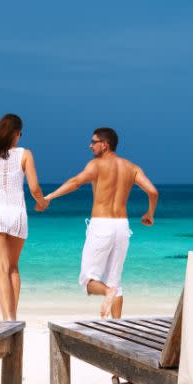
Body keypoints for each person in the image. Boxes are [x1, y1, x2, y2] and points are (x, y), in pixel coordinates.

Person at [39, 127, 157, 318]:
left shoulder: (97, 165)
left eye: (93, 142)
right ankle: (117, 328)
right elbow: (153, 192)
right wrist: (149, 214)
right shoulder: (132, 167)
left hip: (102, 225)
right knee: (115, 281)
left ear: (105, 144)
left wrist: (50, 197)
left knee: (88, 279)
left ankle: (107, 293)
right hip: (122, 227)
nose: (90, 145)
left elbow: (76, 182)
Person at [0, 113, 47, 320]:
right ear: (16, 133)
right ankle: (13, 317)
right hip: (17, 214)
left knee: (0, 268)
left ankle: (8, 319)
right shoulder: (25, 154)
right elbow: (34, 188)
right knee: (13, 268)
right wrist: (42, 203)